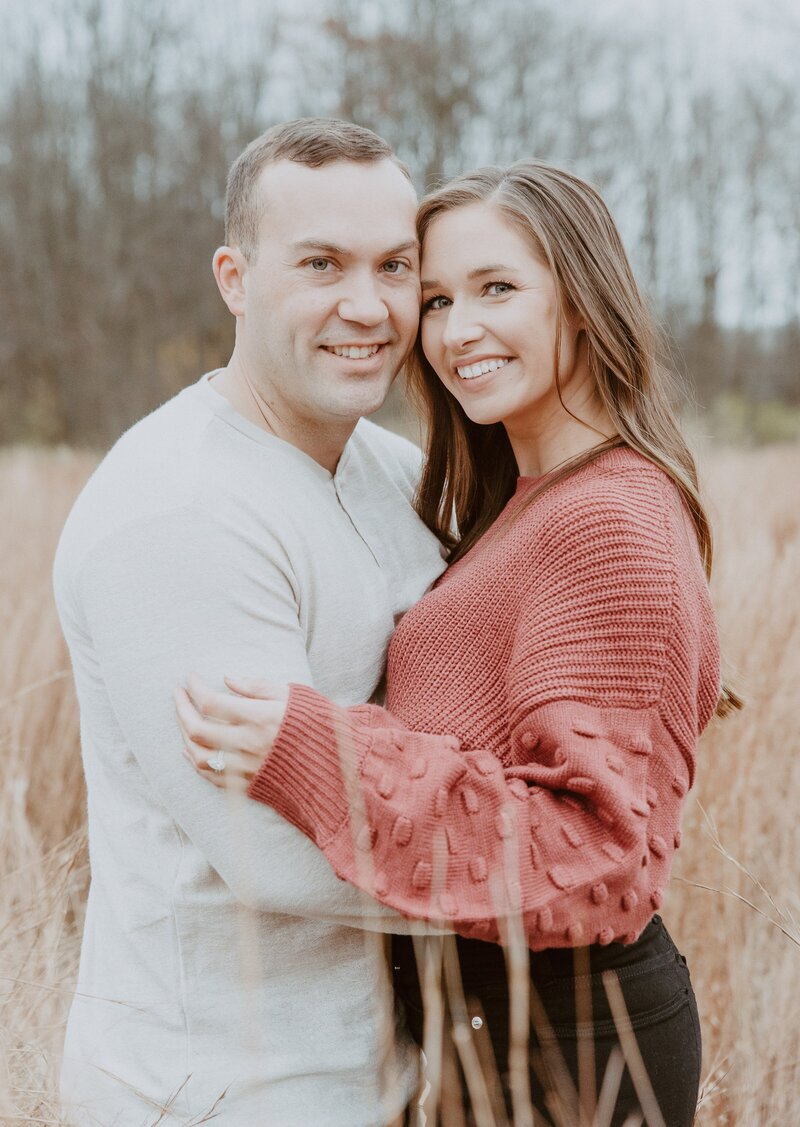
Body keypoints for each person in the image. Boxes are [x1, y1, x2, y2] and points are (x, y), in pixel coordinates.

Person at [177, 160, 738, 1126]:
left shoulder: (607, 519)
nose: (455, 330)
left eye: (497, 289)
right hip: (492, 1027)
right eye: (436, 298)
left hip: (569, 1042)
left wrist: (324, 754)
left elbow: (599, 860)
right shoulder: (527, 500)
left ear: (582, 298)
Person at [52, 118, 450, 1126]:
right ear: (234, 276)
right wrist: (559, 862)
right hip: (215, 1090)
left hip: (379, 1074)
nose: (365, 306)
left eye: (393, 266)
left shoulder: (395, 474)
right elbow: (278, 852)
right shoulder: (179, 509)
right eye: (320, 264)